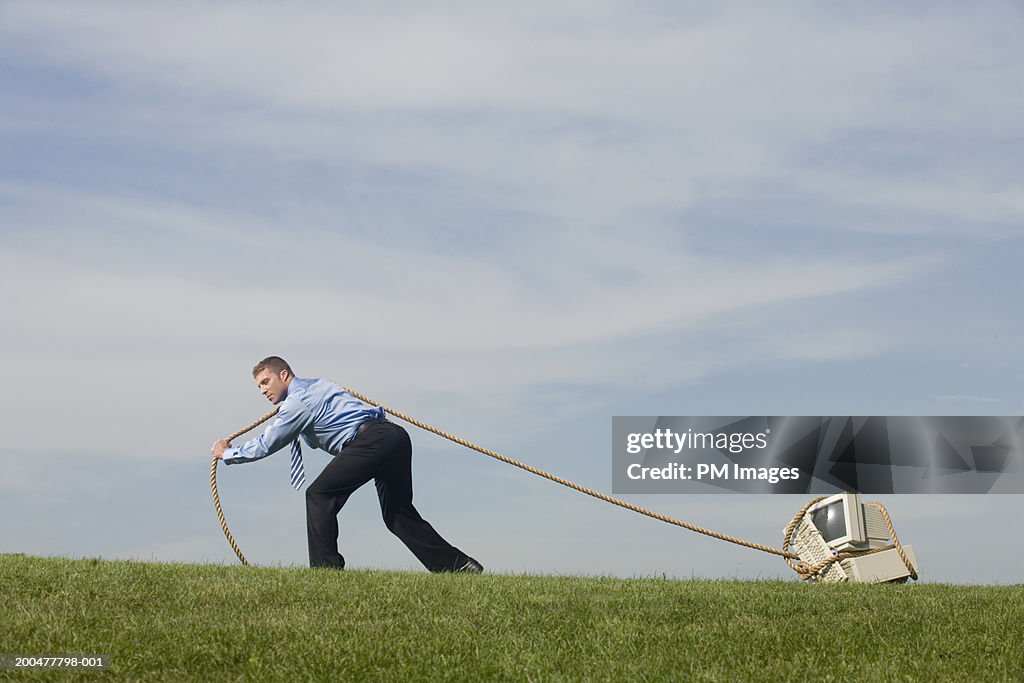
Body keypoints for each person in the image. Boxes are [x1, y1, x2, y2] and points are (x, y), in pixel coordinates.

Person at [211, 356, 483, 573]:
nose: (262, 390)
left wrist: (228, 454)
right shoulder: (315, 386)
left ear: (284, 375)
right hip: (393, 437)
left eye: (265, 381)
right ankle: (459, 566)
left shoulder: (298, 402)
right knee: (398, 516)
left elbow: (269, 442)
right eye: (258, 386)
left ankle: (326, 573)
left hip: (372, 440)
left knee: (318, 494)